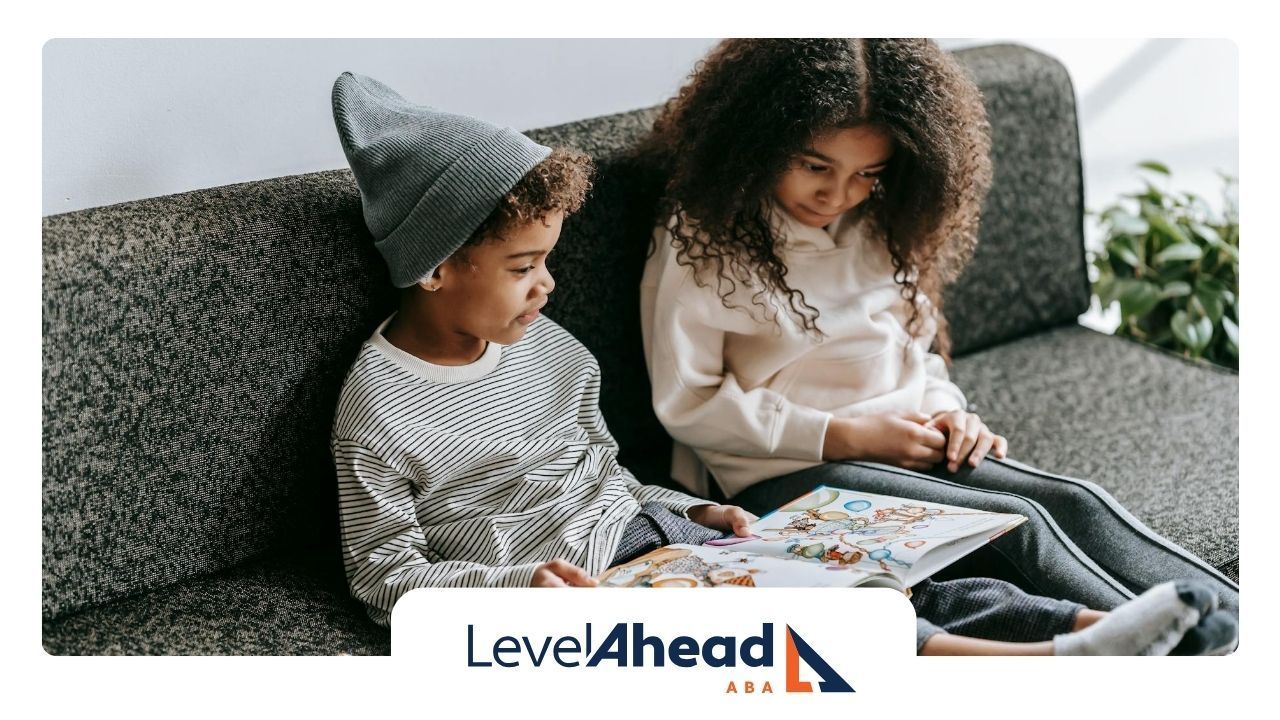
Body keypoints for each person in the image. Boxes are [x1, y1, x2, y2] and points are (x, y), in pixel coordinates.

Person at [328, 71, 1232, 656]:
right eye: (526, 269)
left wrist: (693, 510)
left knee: (941, 561)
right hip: (588, 597)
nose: (549, 288)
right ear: (435, 267)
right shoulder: (381, 409)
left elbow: (613, 477)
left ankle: (1129, 631)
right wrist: (519, 588)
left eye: (549, 262)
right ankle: (1065, 661)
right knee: (828, 620)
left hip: (662, 542)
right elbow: (383, 575)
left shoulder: (554, 355)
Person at [636, 39, 1239, 647]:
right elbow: (689, 404)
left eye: (866, 174)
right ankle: (1181, 646)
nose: (836, 194)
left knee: (1075, 499)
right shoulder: (702, 240)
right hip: (780, 474)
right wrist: (848, 435)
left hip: (903, 441)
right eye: (815, 165)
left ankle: (1236, 624)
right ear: (758, 139)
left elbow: (913, 349)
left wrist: (951, 413)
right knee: (1018, 524)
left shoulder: (878, 222)